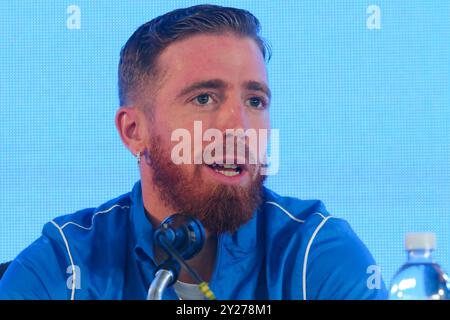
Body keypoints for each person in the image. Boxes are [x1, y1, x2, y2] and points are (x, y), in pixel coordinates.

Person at [0, 4, 387, 300]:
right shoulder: (62, 267)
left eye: (255, 101)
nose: (239, 127)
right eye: (204, 98)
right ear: (134, 132)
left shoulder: (316, 253)